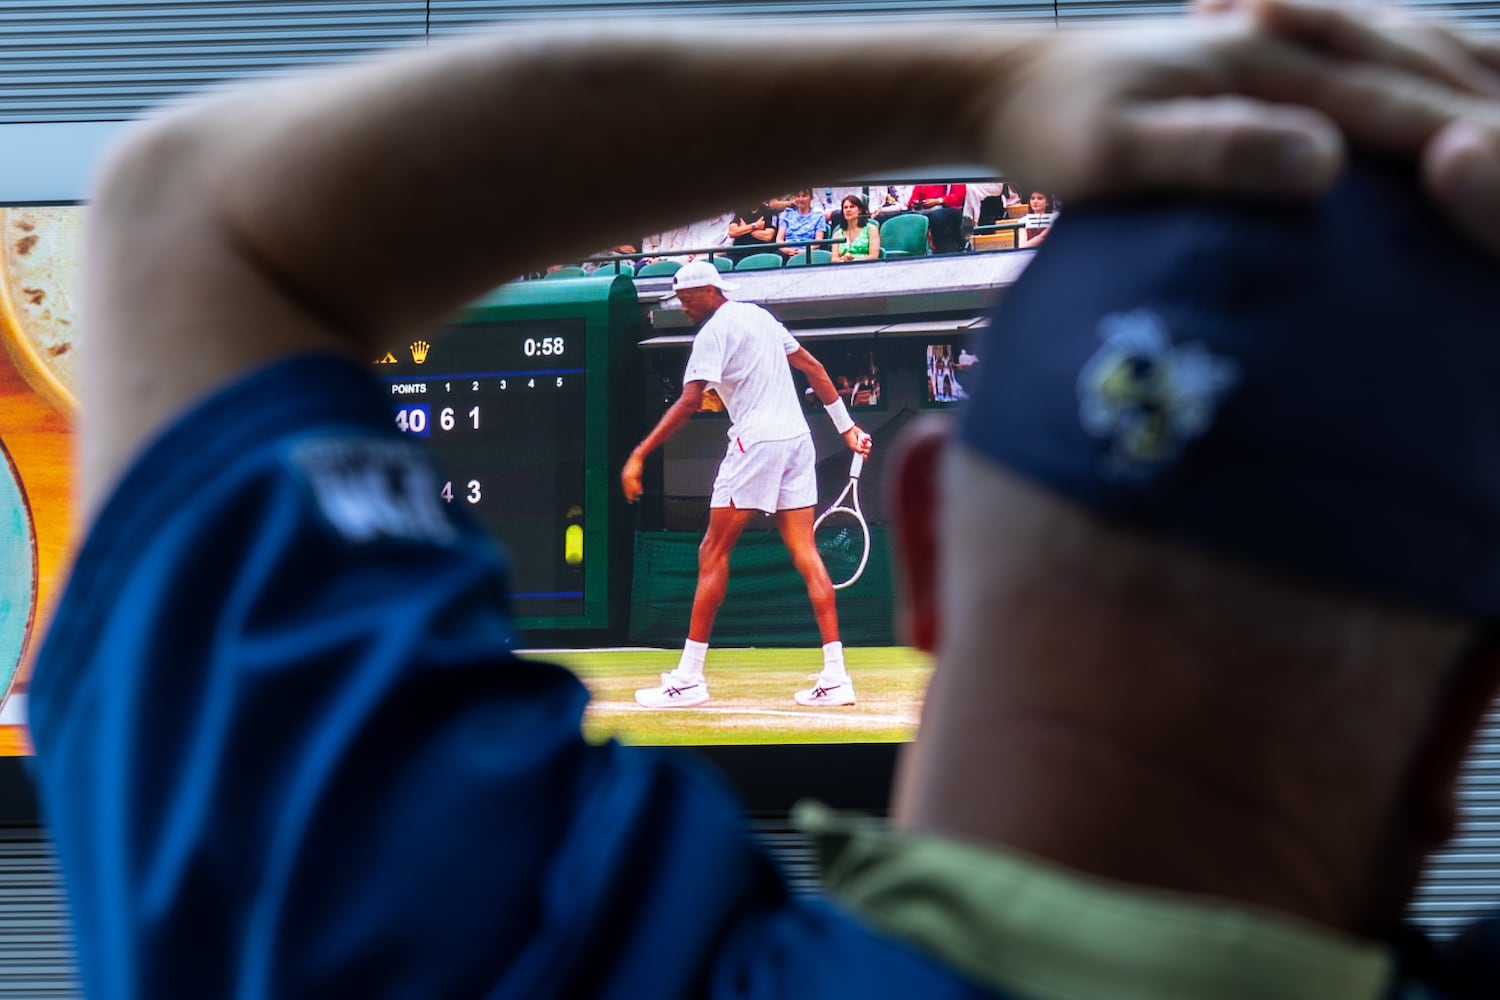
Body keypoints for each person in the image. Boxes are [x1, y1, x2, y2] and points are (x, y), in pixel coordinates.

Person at [27, 5, 1500, 998]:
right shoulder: (749, 332)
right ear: (1463, 723)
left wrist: (980, 89)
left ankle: (733, 661)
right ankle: (800, 661)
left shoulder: (491, 945)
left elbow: (195, 205)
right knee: (758, 551)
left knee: (744, 549)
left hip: (777, 450)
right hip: (793, 444)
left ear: (926, 542)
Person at [620, 261, 870, 708]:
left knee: (712, 551)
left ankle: (689, 679)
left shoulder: (713, 333)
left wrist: (640, 453)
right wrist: (846, 427)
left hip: (756, 443)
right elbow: (813, 367)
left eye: (687, 297)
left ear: (710, 290)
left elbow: (690, 400)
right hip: (797, 441)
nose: (682, 306)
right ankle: (836, 677)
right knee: (806, 553)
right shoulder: (760, 317)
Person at [775, 188, 827, 258]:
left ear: (811, 198)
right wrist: (787, 250)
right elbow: (779, 240)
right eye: (798, 196)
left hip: (808, 251)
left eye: (804, 196)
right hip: (787, 251)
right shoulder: (786, 214)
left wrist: (804, 251)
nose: (801, 199)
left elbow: (818, 242)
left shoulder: (819, 216)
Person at [831, 194, 882, 262]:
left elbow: (874, 256)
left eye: (851, 207)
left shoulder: (871, 229)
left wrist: (853, 260)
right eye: (845, 207)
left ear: (860, 210)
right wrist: (842, 260)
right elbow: (834, 259)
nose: (848, 210)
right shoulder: (837, 234)